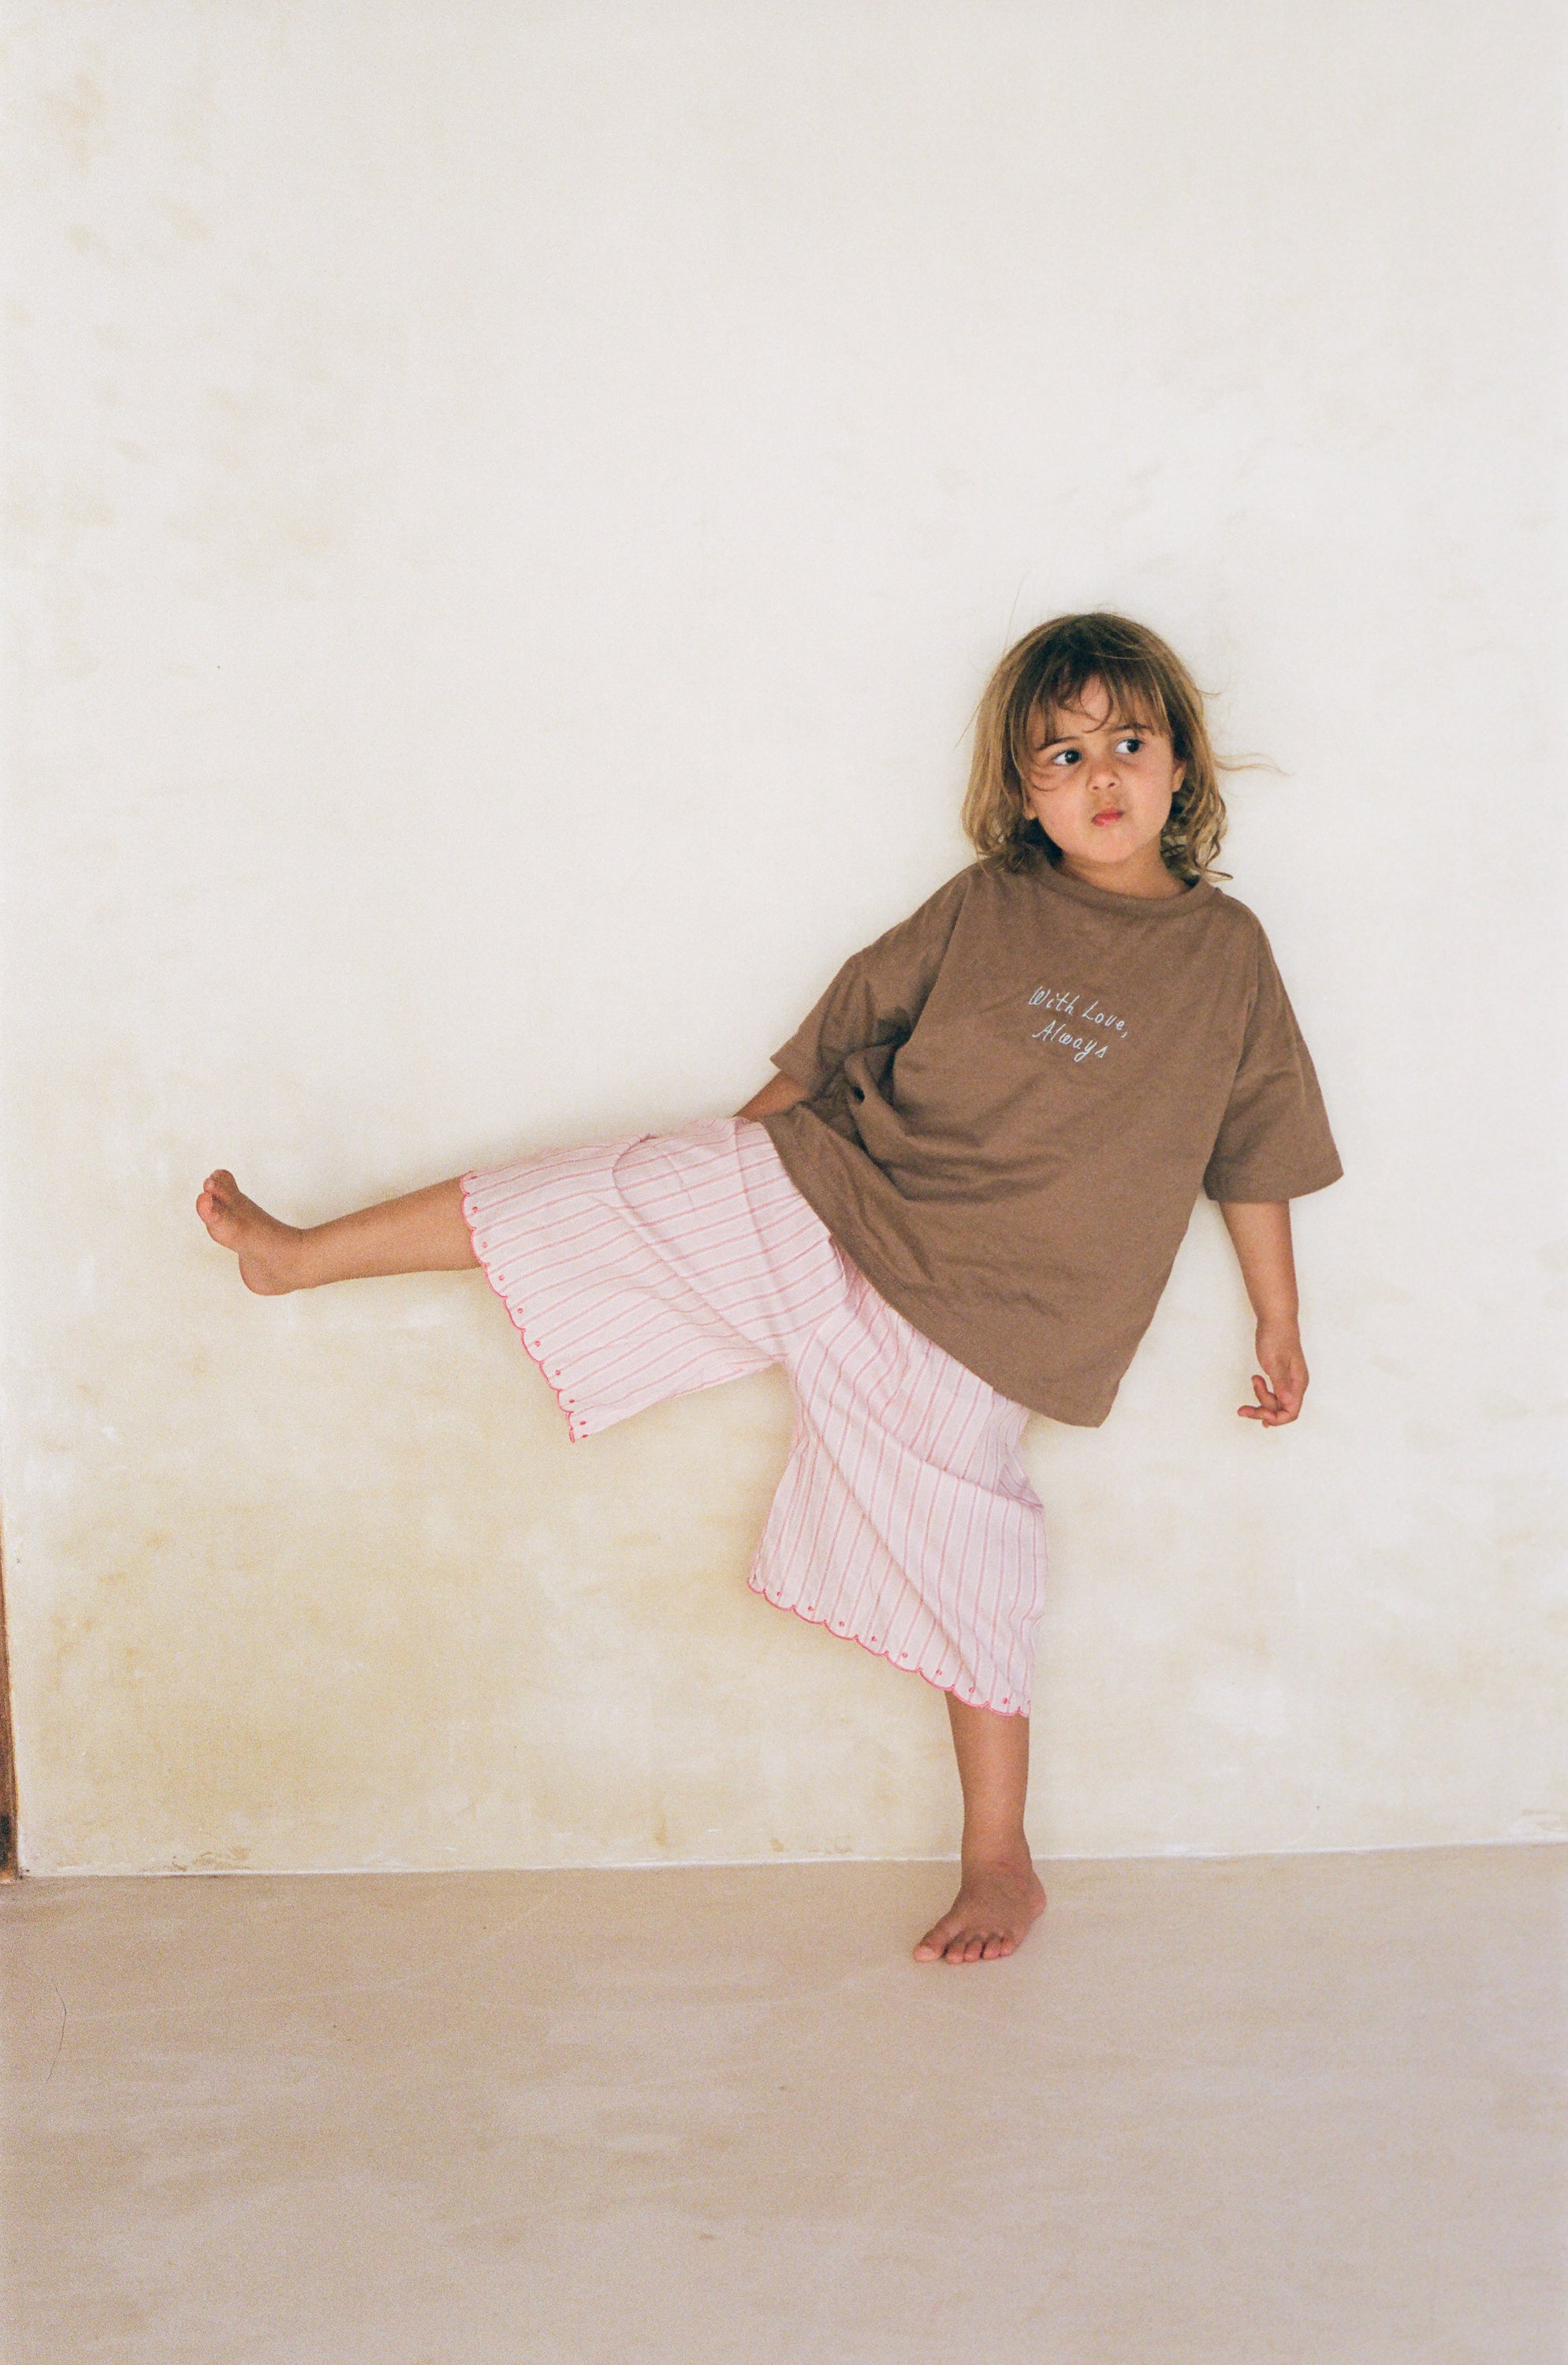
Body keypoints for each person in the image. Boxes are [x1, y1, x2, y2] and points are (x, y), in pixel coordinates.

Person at [197, 611, 1341, 1966]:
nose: (1102, 778)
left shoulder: (1228, 957)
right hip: (846, 1198)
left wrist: (1276, 1316)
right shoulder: (983, 904)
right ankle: (296, 1255)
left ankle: (998, 1859)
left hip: (999, 1323)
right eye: (1063, 754)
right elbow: (841, 1034)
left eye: (1129, 745)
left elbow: (1250, 1149)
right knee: (601, 1192)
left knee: (969, 1556)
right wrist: (732, 1165)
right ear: (1019, 789)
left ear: (1179, 765)